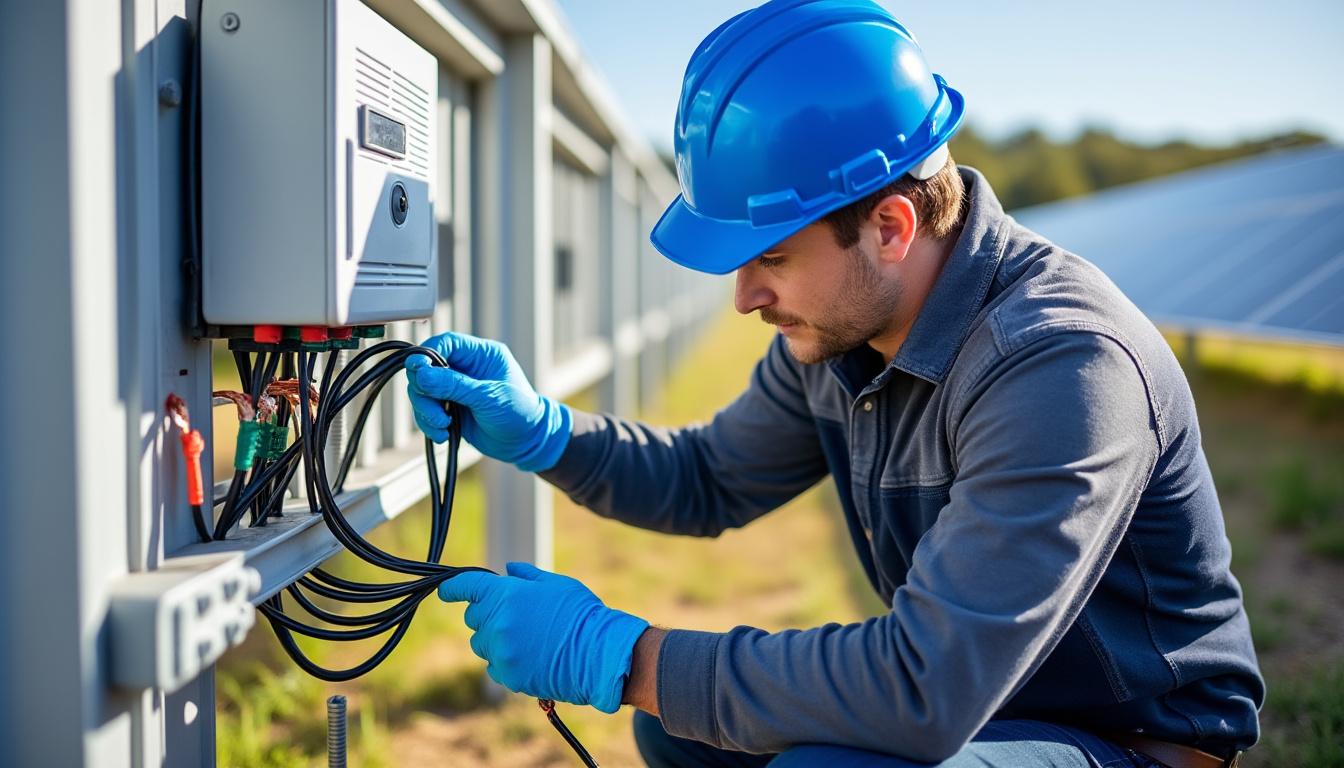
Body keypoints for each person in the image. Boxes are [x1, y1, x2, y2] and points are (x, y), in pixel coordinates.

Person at [404, 0, 1263, 765]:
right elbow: (708, 478)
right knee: (679, 728)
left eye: (770, 258)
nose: (745, 298)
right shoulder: (843, 336)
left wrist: (624, 658)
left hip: (1130, 740)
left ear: (889, 227)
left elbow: (923, 691)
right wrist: (545, 432)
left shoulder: (1061, 364)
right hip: (987, 702)